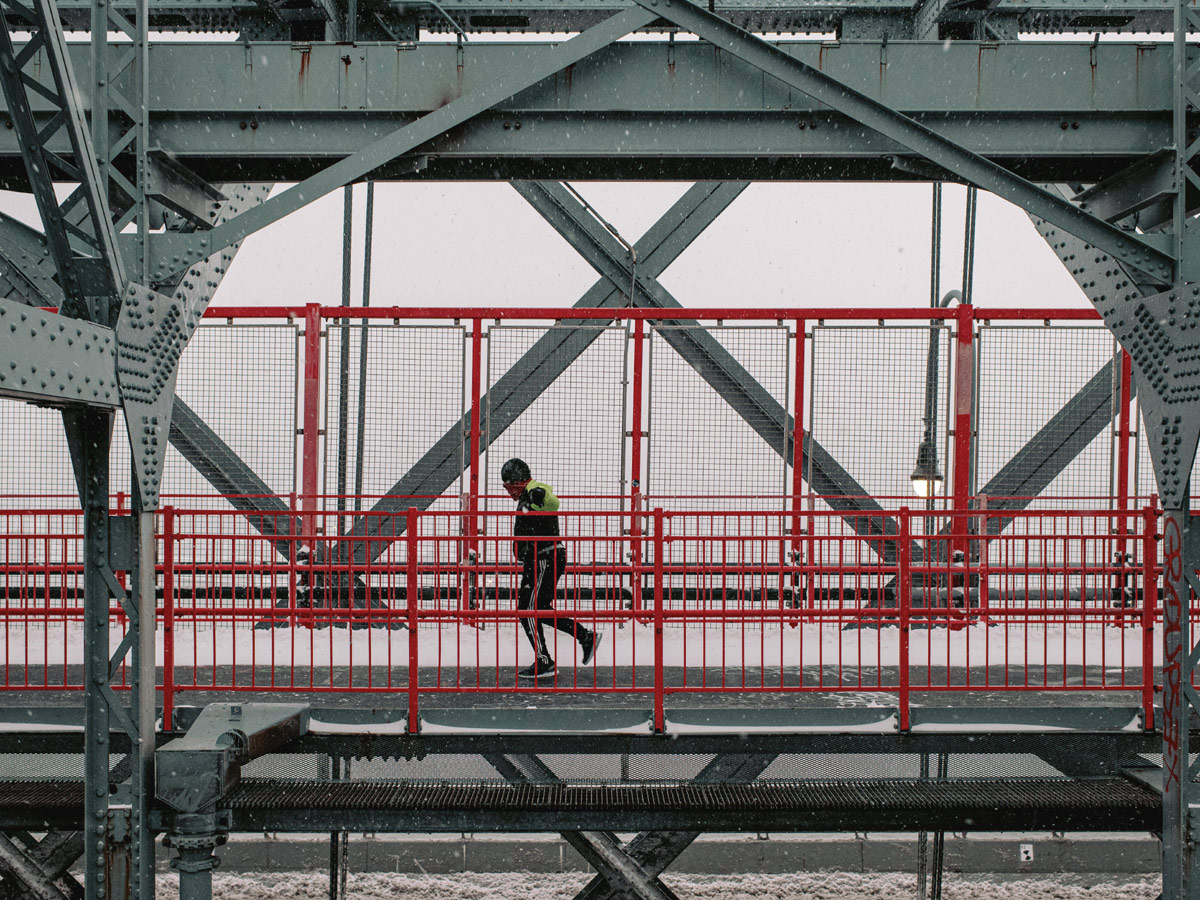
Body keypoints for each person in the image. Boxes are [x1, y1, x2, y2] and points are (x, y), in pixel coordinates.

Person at [501, 457, 602, 680]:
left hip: (544, 557)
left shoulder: (535, 491)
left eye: (509, 486)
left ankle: (544, 661)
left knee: (528, 609)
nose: (508, 492)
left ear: (519, 481)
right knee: (539, 608)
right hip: (540, 558)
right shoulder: (525, 497)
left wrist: (537, 495)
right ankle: (584, 637)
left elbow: (552, 501)